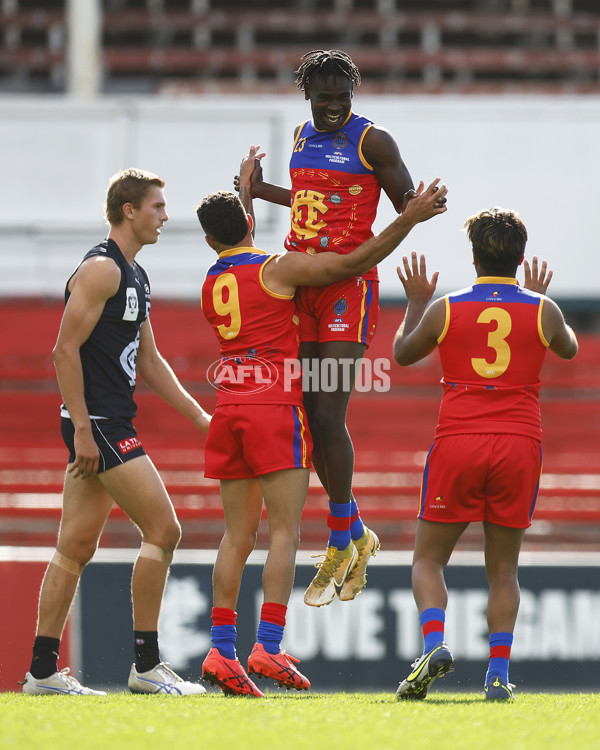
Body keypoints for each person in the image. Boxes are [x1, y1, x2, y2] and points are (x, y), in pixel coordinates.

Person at [199, 145, 447, 696]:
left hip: (228, 409)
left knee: (235, 534)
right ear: (248, 223)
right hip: (271, 410)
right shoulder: (277, 268)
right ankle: (268, 645)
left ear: (210, 239)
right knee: (284, 530)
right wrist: (405, 219)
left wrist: (251, 192)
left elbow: (249, 230)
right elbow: (350, 263)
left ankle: (220, 650)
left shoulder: (211, 282)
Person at [238, 49, 419, 608]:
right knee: (309, 421)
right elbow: (313, 200)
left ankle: (341, 538)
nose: (336, 104)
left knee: (326, 413)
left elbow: (407, 204)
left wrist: (420, 208)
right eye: (326, 95)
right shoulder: (298, 137)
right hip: (300, 284)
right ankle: (354, 531)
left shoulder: (374, 141)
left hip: (346, 287)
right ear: (308, 94)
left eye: (344, 95)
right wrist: (260, 189)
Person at [21, 168, 211, 696]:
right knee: (164, 530)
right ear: (129, 210)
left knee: (74, 546)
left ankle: (41, 672)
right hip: (99, 424)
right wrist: (82, 429)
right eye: (157, 207)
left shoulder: (136, 276)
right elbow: (62, 352)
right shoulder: (103, 270)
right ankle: (147, 666)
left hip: (104, 421)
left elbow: (150, 360)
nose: (165, 217)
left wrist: (201, 418)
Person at [392, 208, 578, 701]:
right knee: (504, 571)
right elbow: (570, 350)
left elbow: (403, 353)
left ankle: (435, 644)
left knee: (428, 561)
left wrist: (414, 304)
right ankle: (497, 674)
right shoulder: (543, 310)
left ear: (473, 255)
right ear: (521, 257)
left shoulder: (446, 308)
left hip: (458, 441)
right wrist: (542, 301)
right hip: (519, 444)